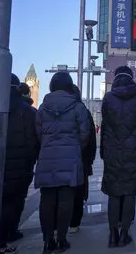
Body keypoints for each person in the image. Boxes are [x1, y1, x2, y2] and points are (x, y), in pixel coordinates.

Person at [35, 72, 91, 253]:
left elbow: (38, 134)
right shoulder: (78, 107)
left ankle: (47, 240)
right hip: (70, 159)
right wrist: (73, 147)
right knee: (66, 200)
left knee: (47, 200)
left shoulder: (42, 108)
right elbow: (85, 134)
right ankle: (62, 239)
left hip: (47, 159)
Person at [101, 66, 136, 247]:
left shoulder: (108, 98)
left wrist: (103, 151)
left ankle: (112, 233)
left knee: (113, 191)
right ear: (131, 77)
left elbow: (104, 125)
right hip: (134, 151)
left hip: (113, 151)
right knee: (129, 191)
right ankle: (124, 233)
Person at [0, 75, 38, 254]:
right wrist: (31, 161)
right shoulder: (28, 112)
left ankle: (1, 238)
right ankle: (9, 233)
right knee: (14, 201)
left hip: (0, 164)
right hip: (21, 168)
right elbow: (33, 141)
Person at [68, 85, 97, 235]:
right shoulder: (82, 110)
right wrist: (89, 159)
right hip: (79, 158)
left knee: (53, 193)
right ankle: (73, 223)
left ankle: (53, 229)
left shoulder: (44, 108)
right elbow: (90, 137)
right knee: (78, 190)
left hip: (52, 160)